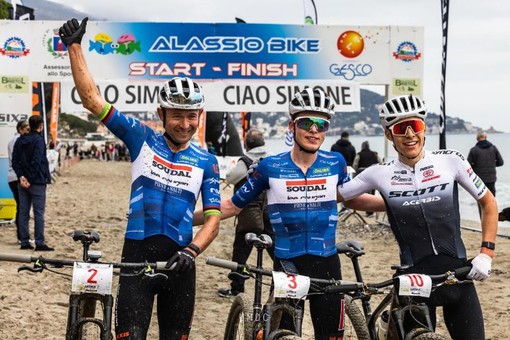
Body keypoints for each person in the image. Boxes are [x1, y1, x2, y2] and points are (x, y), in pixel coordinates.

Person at [59, 17, 221, 339]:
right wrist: (74, 47)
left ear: (200, 116)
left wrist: (192, 251)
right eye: (177, 115)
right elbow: (93, 100)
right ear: (162, 114)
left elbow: (214, 219)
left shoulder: (207, 161)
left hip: (182, 263)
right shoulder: (141, 139)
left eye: (191, 116)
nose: (185, 124)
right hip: (136, 259)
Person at [195, 88, 383, 339]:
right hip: (287, 265)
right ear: (292, 125)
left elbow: (351, 198)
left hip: (327, 263)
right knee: (282, 334)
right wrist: (189, 217)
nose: (314, 130)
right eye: (306, 122)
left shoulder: (335, 162)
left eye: (321, 124)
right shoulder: (270, 166)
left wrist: (394, 203)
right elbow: (233, 205)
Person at [338, 94, 498, 339]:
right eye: (402, 128)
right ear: (389, 135)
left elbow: (488, 202)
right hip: (413, 279)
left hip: (457, 275)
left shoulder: (450, 160)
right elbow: (343, 197)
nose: (411, 134)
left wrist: (486, 253)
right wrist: (393, 204)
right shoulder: (379, 173)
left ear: (424, 129)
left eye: (417, 126)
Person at [218, 129, 275, 298]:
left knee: (241, 251)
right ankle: (284, 282)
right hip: (269, 208)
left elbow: (231, 177)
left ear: (246, 144)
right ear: (263, 142)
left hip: (249, 210)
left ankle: (237, 288)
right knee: (276, 250)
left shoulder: (246, 161)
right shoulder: (271, 158)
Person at [12, 115, 54, 251]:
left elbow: (15, 161)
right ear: (40, 126)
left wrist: (21, 177)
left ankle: (24, 241)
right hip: (36, 181)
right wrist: (28, 178)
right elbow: (36, 161)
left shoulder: (20, 140)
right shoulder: (39, 140)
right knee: (38, 213)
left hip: (23, 182)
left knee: (23, 212)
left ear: (30, 125)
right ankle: (39, 242)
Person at [467, 130, 504, 217]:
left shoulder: (474, 150)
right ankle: (492, 221)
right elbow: (501, 162)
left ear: (477, 138)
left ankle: (483, 222)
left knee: (481, 202)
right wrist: (491, 164)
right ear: (486, 137)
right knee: (491, 201)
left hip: (478, 181)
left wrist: (476, 167)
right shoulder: (493, 148)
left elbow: (468, 166)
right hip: (491, 179)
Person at [7, 119, 30, 243]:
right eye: (27, 128)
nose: (29, 130)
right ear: (20, 129)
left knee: (21, 207)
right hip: (17, 177)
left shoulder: (12, 140)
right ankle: (22, 236)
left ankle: (21, 235)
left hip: (12, 176)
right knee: (22, 207)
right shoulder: (19, 141)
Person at [352, 141, 381, 216]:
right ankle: (371, 211)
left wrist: (354, 175)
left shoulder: (359, 154)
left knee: (364, 193)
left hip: (362, 175)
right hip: (373, 174)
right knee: (372, 193)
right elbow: (380, 163)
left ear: (362, 146)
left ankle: (367, 210)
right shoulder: (374, 154)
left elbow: (355, 165)